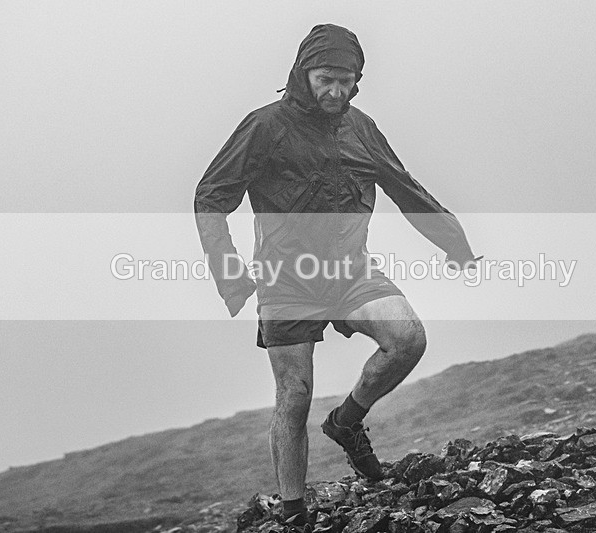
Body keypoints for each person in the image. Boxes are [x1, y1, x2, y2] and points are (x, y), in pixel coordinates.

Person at [194, 24, 479, 530]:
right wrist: (230, 273)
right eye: (327, 79)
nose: (336, 91)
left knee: (407, 338)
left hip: (351, 270)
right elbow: (211, 195)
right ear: (303, 75)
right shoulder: (264, 126)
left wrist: (456, 245)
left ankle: (346, 422)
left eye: (346, 81)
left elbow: (404, 186)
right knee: (295, 394)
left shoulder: (361, 128)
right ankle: (294, 511)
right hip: (287, 280)